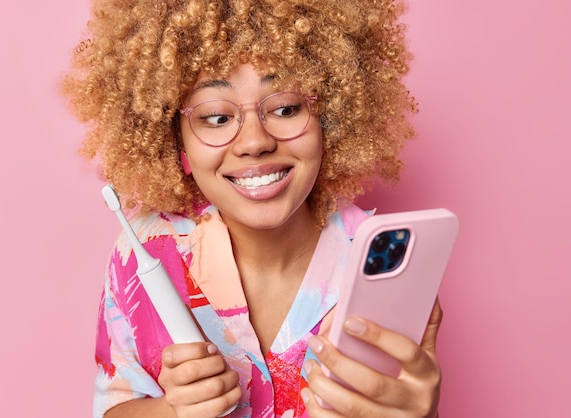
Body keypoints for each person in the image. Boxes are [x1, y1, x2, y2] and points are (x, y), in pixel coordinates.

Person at [63, 0, 443, 417]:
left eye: (284, 108)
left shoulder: (380, 266)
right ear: (175, 136)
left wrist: (422, 415)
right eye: (215, 117)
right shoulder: (147, 251)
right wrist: (174, 411)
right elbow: (114, 407)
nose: (254, 142)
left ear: (329, 117)